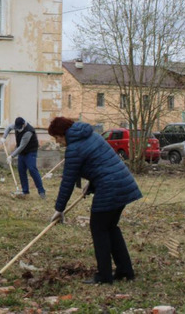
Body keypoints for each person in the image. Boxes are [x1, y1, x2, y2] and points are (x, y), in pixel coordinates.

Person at [47, 117, 142, 284]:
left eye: (57, 138)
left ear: (63, 134)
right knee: (110, 227)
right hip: (123, 183)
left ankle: (104, 276)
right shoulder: (93, 135)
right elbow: (102, 164)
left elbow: (67, 181)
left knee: (99, 229)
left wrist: (59, 209)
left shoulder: (74, 148)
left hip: (110, 188)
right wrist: (91, 185)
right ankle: (125, 271)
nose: (58, 142)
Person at [3, 117, 46, 199]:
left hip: (30, 151)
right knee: (21, 170)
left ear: (23, 125)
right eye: (17, 128)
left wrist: (11, 156)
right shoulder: (16, 125)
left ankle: (41, 191)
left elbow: (22, 146)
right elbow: (8, 127)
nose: (18, 129)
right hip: (22, 152)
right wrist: (3, 137)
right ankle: (25, 191)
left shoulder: (28, 131)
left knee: (32, 169)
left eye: (19, 128)